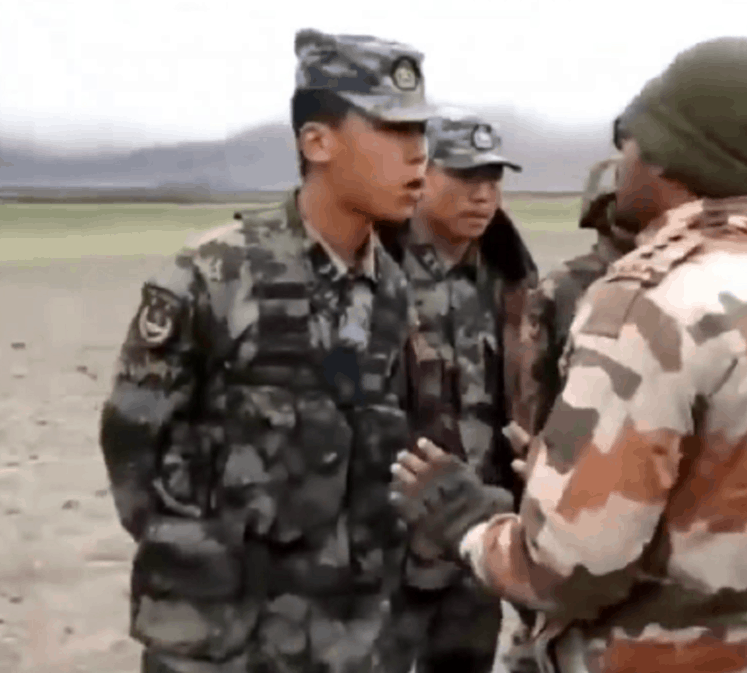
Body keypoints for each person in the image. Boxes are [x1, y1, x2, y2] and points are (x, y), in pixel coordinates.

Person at [388, 36, 747, 673]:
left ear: (672, 157)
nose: (622, 158)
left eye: (632, 138)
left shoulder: (646, 303)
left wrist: (470, 519)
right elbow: (732, 506)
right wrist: (572, 472)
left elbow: (570, 567)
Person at [98, 28, 434, 673]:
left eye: (421, 134)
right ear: (317, 141)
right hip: (220, 642)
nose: (418, 156)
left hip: (344, 640)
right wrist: (201, 564)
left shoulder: (390, 288)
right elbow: (133, 444)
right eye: (393, 132)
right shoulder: (216, 272)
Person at [374, 110, 537, 673]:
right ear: (422, 176)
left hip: (474, 528)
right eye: (466, 178)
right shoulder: (371, 266)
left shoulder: (508, 274)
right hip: (386, 539)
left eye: (493, 181)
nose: (484, 196)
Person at [501, 109, 641, 673]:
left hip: (644, 468)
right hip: (570, 471)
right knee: (550, 621)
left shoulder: (680, 281)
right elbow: (534, 388)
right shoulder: (565, 285)